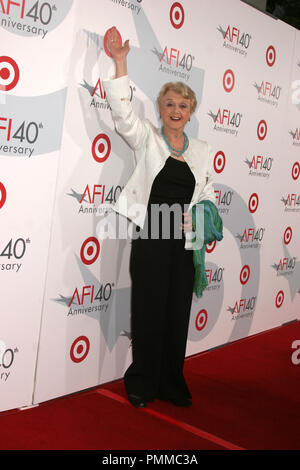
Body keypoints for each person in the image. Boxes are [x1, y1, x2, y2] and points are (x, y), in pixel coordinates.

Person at [103, 26, 216, 408]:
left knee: (176, 314)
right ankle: (142, 381)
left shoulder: (201, 150)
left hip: (183, 245)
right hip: (152, 235)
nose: (175, 111)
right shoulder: (147, 137)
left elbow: (207, 197)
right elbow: (122, 115)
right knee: (150, 311)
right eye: (169, 104)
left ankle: (170, 381)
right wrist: (120, 62)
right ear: (161, 108)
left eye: (182, 106)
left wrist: (198, 219)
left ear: (191, 112)